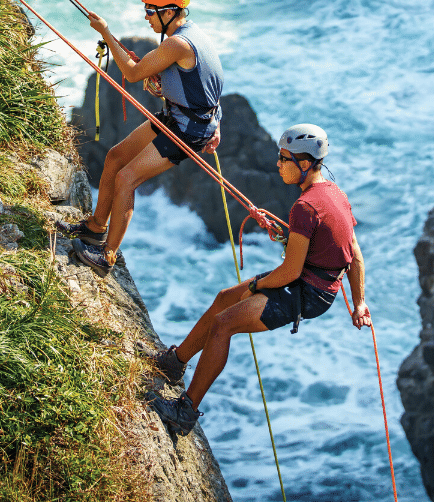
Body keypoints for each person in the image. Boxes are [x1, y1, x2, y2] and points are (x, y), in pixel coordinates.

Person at [146, 123, 372, 436]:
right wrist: (359, 303)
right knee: (226, 297)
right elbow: (355, 253)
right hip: (310, 281)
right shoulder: (335, 194)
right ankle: (175, 363)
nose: (277, 165)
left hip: (307, 292)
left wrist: (255, 286)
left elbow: (290, 273)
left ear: (304, 164)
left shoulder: (305, 207)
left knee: (224, 323)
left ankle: (185, 411)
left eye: (283, 159)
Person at [58, 0, 224, 276]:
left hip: (188, 129)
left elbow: (132, 74)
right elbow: (208, 83)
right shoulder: (192, 33)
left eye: (150, 11)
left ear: (169, 12)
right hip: (180, 116)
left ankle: (106, 256)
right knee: (115, 157)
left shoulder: (177, 43)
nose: (146, 17)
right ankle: (95, 227)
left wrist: (106, 33)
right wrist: (213, 119)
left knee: (126, 178)